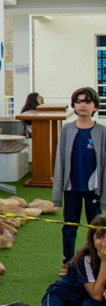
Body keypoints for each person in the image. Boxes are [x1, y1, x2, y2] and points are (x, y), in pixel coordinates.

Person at [0, 215, 106, 306]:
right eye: (100, 237)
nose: (104, 242)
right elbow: (96, 295)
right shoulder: (85, 259)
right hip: (60, 296)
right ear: (92, 238)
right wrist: (105, 261)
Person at [52, 87, 106, 276]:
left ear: (95, 106)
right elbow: (60, 160)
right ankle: (68, 262)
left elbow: (104, 165)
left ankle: (97, 262)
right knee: (70, 226)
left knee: (96, 229)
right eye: (79, 101)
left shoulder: (101, 132)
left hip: (94, 190)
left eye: (87, 101)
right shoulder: (67, 129)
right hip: (72, 188)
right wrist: (57, 194)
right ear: (74, 105)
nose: (83, 105)